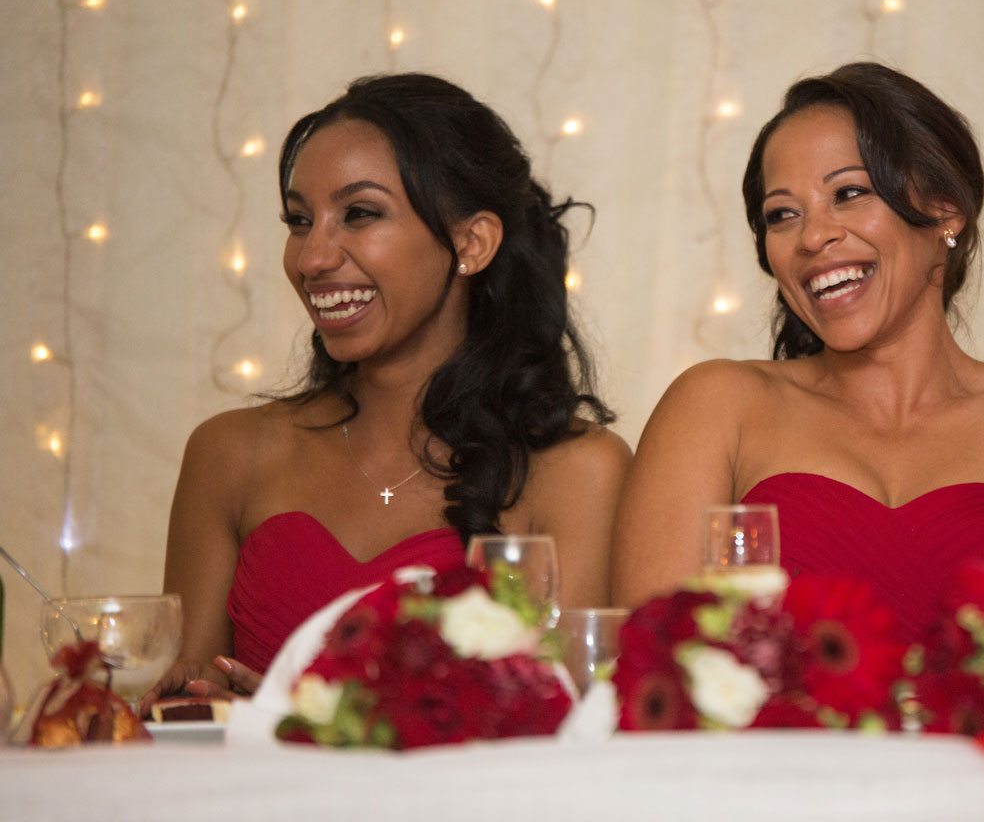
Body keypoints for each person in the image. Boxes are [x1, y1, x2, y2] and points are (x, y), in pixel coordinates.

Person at [611, 62, 984, 636]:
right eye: (783, 214)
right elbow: (650, 685)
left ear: (944, 212)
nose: (812, 237)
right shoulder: (715, 407)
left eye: (850, 192)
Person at [146, 73, 629, 705]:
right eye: (299, 220)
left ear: (470, 242)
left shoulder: (576, 472)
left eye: (360, 214)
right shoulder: (227, 455)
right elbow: (184, 712)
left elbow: (570, 736)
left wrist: (316, 722)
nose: (312, 257)